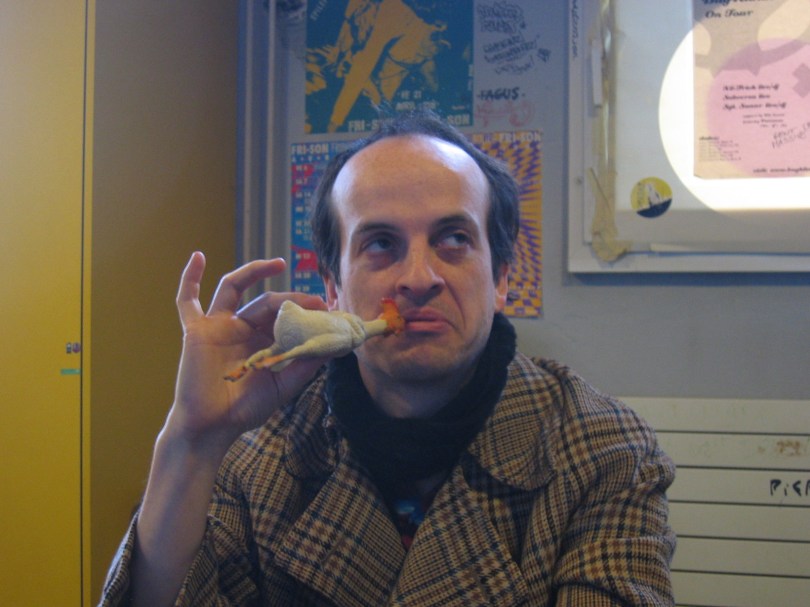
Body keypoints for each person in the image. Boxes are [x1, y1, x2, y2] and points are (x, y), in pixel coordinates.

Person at [100, 112, 676, 606]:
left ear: (501, 277)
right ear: (332, 287)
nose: (419, 279)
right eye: (380, 244)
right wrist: (192, 439)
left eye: (453, 239)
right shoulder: (259, 451)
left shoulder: (603, 450)